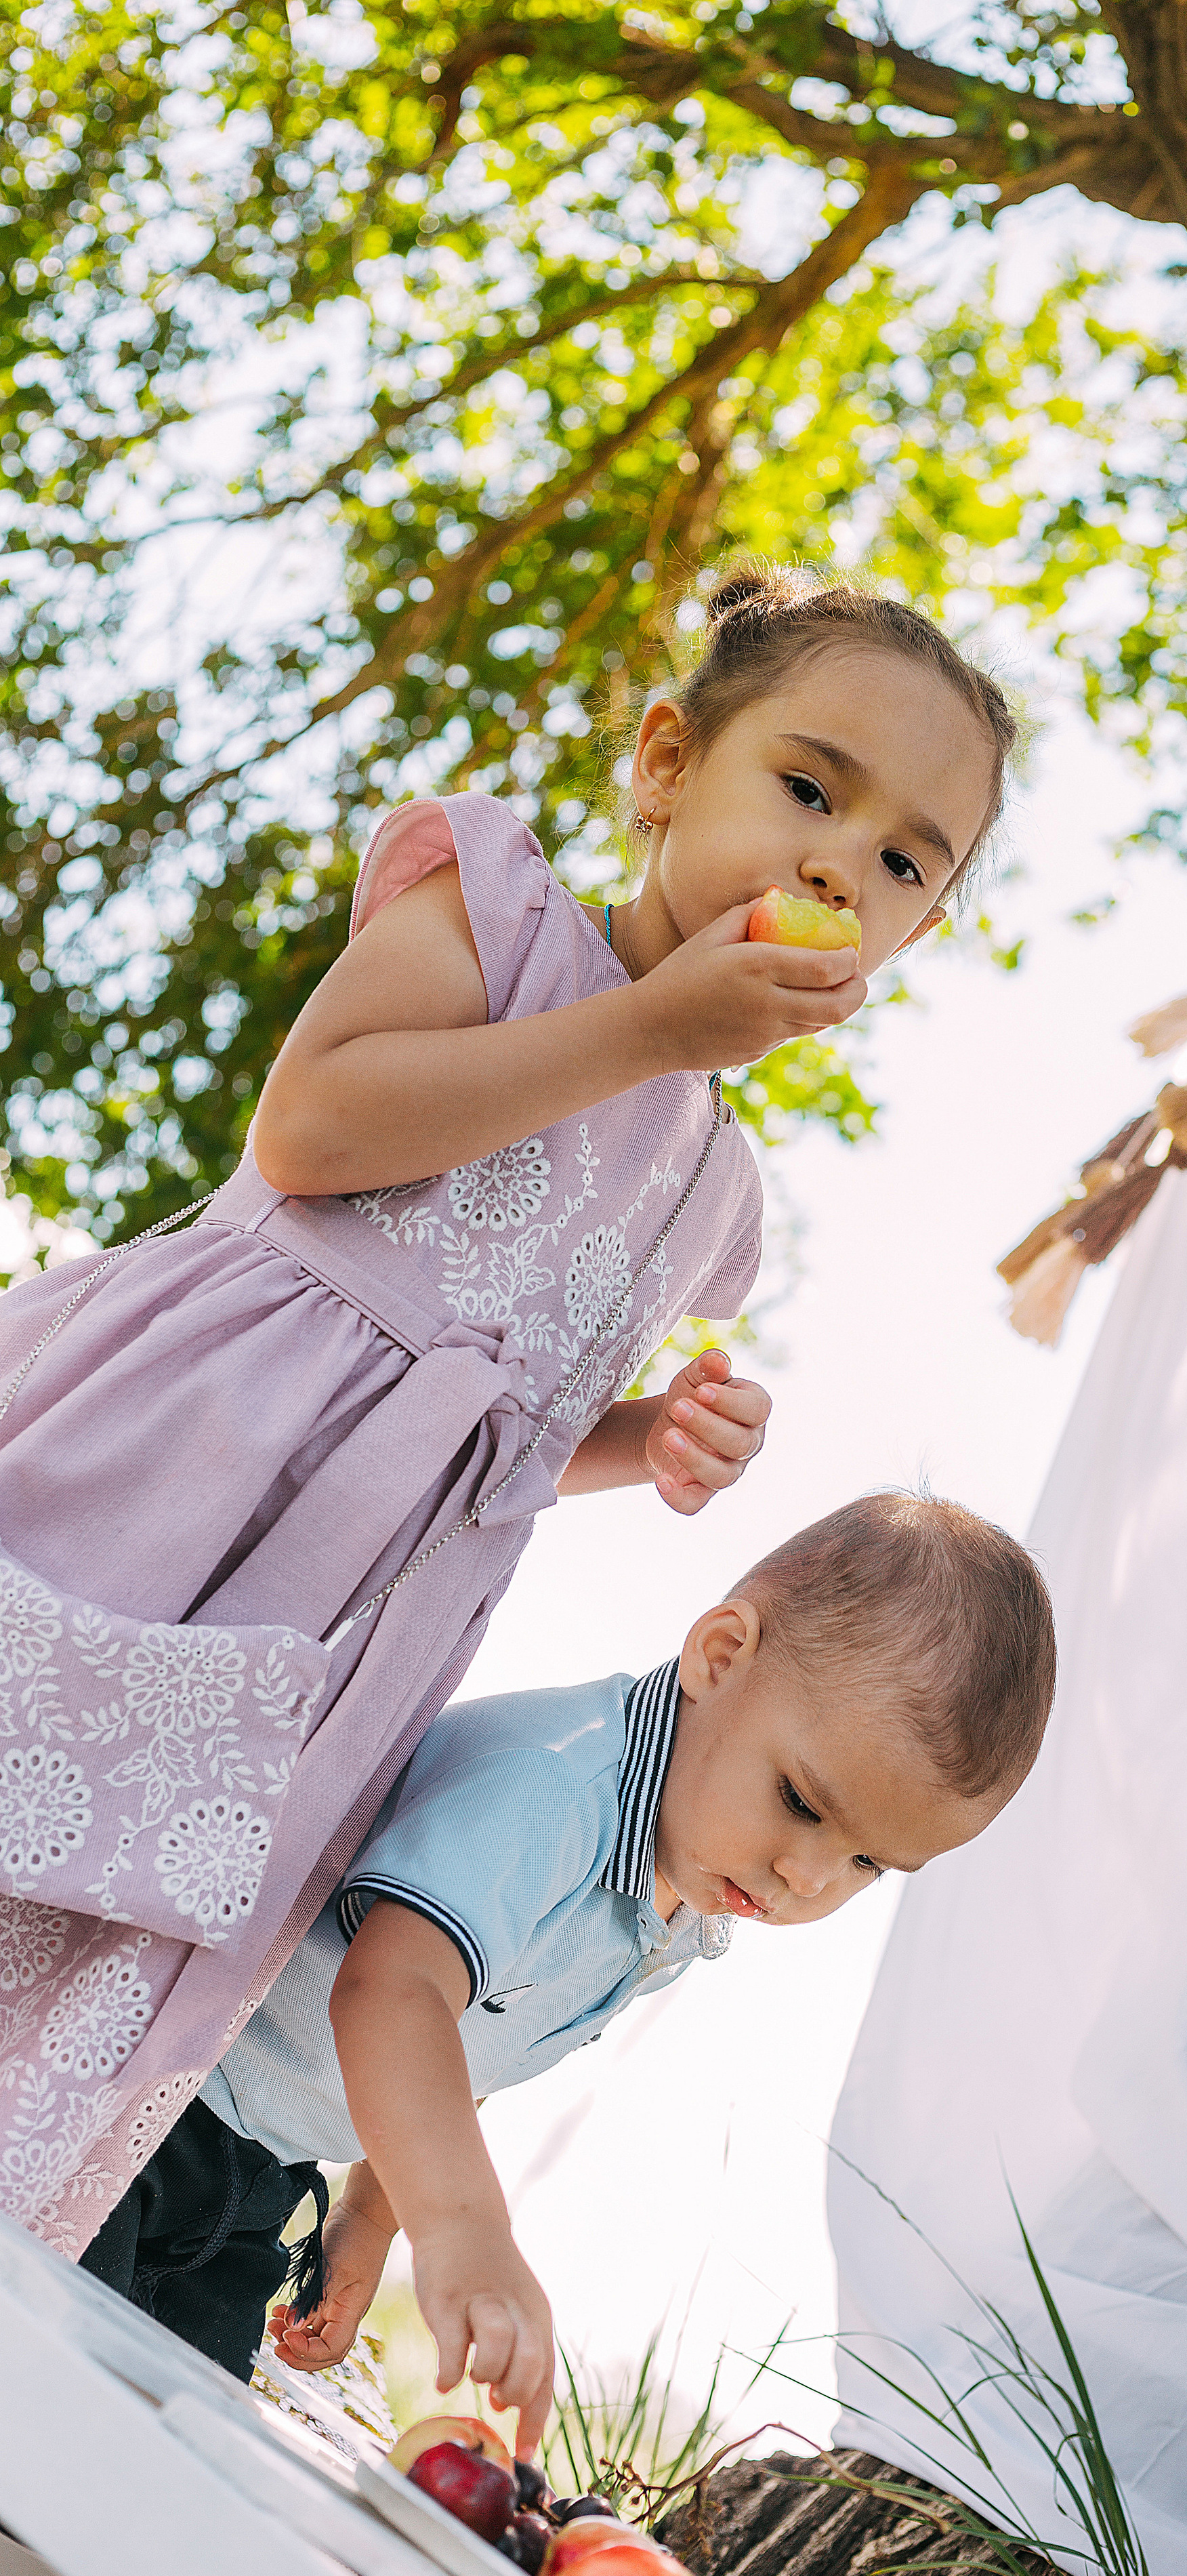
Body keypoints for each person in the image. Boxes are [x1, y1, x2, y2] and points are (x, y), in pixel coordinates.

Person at [0, 567, 1020, 2257]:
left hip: (336, 1622)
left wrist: (640, 1441)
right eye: (807, 787)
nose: (844, 862)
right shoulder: (502, 917)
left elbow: (494, 1445)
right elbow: (311, 1133)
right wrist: (645, 1029)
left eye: (908, 861)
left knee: (106, 1899)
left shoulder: (708, 1191)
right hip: (183, 1454)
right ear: (667, 762)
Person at [77, 1493, 1058, 2449]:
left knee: (161, 2455)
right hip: (138, 2104)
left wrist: (373, 2217)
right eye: (801, 1802)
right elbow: (393, 1992)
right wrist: (462, 2226)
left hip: (256, 2178)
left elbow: (470, 2042)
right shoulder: (554, 1788)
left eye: (868, 1862)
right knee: (48, 2396)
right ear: (721, 1657)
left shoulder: (677, 1893)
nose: (808, 1876)